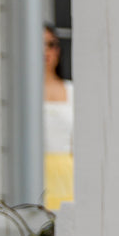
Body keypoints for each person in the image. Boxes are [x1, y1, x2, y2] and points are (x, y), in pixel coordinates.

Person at [42, 23, 74, 211]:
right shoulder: (21, 93)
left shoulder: (72, 90)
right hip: (36, 174)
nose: (45, 51)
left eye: (51, 44)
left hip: (68, 177)